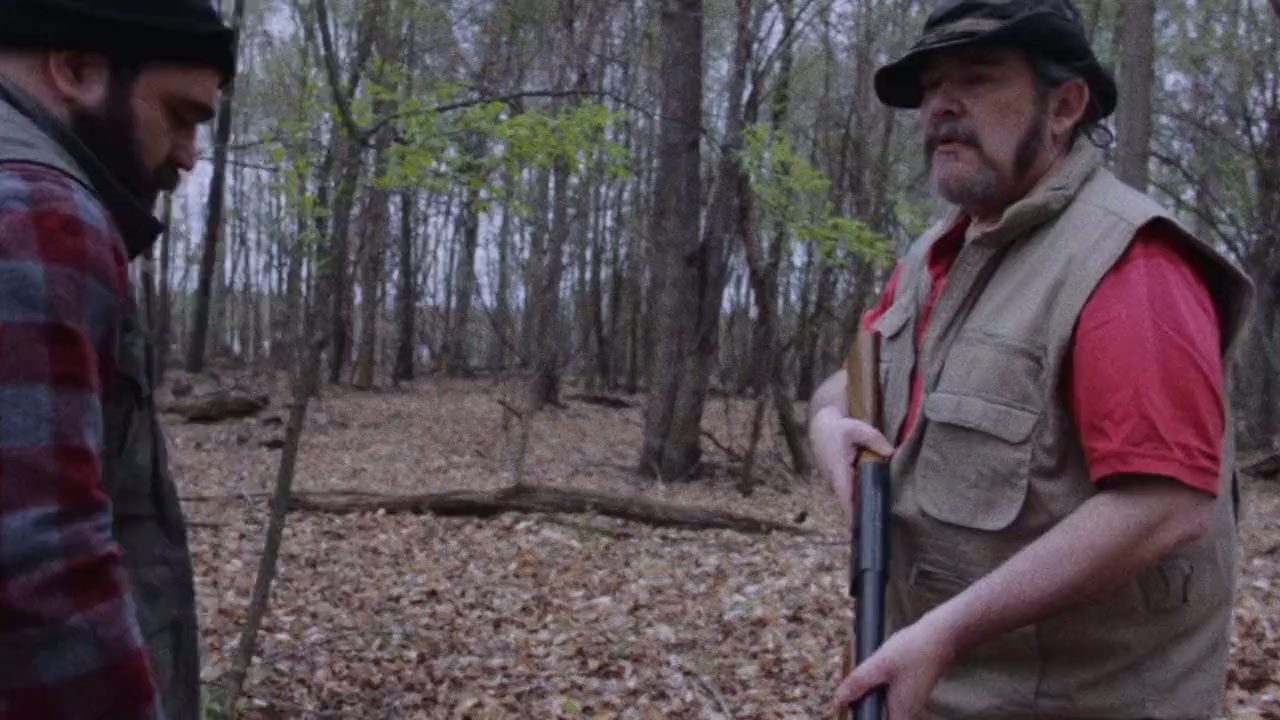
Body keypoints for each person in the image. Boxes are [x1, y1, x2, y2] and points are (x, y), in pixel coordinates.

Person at [808, 1, 1256, 718]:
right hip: (927, 686)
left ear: (1065, 106)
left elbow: (1164, 506)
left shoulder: (1130, 264)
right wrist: (827, 424)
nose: (940, 106)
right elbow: (857, 373)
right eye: (931, 87)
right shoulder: (933, 257)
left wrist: (946, 632)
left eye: (977, 78)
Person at [0, 1, 235, 718]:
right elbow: (38, 570)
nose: (189, 154)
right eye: (181, 115)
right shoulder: (38, 211)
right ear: (77, 68)